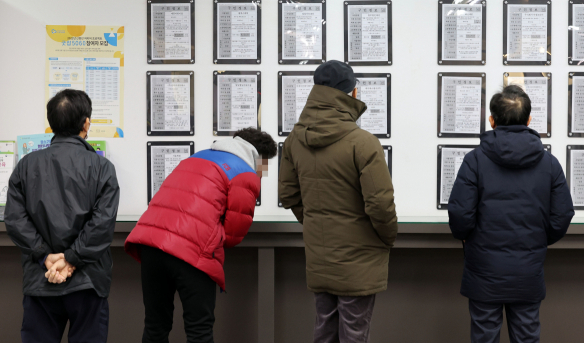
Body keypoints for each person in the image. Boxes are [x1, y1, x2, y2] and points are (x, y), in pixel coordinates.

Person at [278, 60, 398, 343]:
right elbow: (380, 204)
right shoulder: (363, 142)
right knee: (354, 333)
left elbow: (288, 195)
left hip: (320, 255)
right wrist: (388, 237)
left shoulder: (295, 139)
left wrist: (316, 222)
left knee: (325, 330)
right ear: (351, 94)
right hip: (360, 260)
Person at [124, 127, 277, 343]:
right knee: (199, 330)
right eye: (266, 164)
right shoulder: (245, 172)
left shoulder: (196, 157)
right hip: (191, 253)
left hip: (151, 245)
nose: (264, 170)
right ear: (258, 157)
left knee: (155, 326)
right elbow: (234, 233)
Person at [448, 85, 575, 343]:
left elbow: (460, 216)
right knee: (527, 337)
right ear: (529, 120)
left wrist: (466, 237)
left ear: (492, 120)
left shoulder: (474, 160)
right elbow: (562, 215)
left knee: (484, 336)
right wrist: (539, 238)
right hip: (528, 271)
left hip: (483, 271)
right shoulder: (549, 163)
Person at [5, 89, 120, 343]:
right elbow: (102, 225)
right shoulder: (102, 168)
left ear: (52, 124)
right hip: (88, 282)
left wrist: (46, 258)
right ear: (86, 123)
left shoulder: (26, 166)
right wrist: (70, 260)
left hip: (41, 280)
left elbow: (14, 219)